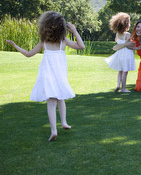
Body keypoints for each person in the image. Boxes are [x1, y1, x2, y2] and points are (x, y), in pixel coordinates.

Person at [6, 11, 85, 141]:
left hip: (47, 76)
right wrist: (75, 31)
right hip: (60, 76)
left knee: (51, 102)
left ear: (45, 27)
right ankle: (64, 122)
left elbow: (28, 54)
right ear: (61, 27)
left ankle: (54, 130)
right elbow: (81, 46)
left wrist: (15, 46)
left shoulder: (44, 42)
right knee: (61, 98)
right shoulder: (63, 41)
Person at [105, 12, 141, 93]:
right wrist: (136, 47)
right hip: (126, 54)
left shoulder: (117, 34)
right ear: (126, 25)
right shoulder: (127, 34)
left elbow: (117, 41)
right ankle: (123, 88)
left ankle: (118, 85)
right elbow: (128, 46)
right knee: (125, 71)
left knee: (120, 70)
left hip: (120, 54)